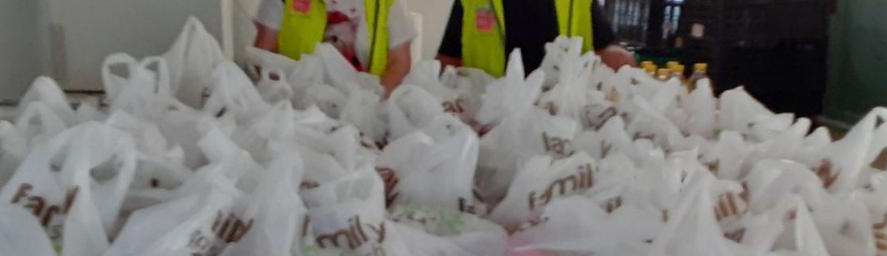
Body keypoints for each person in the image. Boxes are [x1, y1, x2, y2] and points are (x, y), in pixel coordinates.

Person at [437, 0, 636, 77]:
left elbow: (606, 49)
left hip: (562, 122)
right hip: (490, 124)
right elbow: (447, 61)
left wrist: (621, 61)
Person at [254, 0, 417, 92]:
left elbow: (399, 63)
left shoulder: (388, 3)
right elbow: (263, 54)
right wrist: (286, 95)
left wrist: (373, 102)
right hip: (298, 111)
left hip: (366, 113)